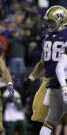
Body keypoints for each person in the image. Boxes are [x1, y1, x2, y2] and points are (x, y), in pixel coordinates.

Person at [26, 5, 67, 134]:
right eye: (48, 21)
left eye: (51, 21)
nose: (48, 23)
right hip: (48, 80)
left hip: (63, 79)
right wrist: (31, 77)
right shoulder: (47, 35)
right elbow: (43, 61)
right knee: (38, 113)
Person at [40, 17, 67, 135]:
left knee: (50, 122)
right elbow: (59, 67)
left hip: (58, 86)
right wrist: (64, 88)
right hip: (63, 85)